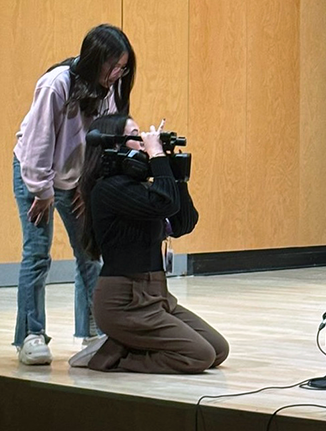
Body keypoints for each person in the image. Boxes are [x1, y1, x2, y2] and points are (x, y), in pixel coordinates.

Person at [12, 24, 136, 365]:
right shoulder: (57, 85)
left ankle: (93, 331)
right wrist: (41, 190)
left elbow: (101, 140)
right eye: (113, 66)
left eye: (122, 68)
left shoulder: (109, 89)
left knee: (89, 254)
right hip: (35, 174)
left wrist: (87, 184)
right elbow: (39, 141)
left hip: (75, 178)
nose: (117, 74)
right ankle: (30, 336)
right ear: (96, 59)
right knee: (37, 254)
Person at [67, 114, 229, 373]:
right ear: (115, 145)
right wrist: (158, 158)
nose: (144, 140)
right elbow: (164, 203)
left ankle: (126, 344)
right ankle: (112, 357)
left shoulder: (139, 186)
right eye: (136, 134)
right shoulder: (109, 189)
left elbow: (183, 224)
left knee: (218, 350)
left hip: (157, 295)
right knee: (199, 356)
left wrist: (177, 176)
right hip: (124, 302)